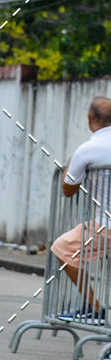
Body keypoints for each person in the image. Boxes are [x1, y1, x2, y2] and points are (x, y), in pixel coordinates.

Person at [53, 96, 111, 321]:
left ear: (90, 119)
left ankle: (94, 309)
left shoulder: (88, 149)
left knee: (62, 249)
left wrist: (71, 165)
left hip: (104, 224)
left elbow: (68, 190)